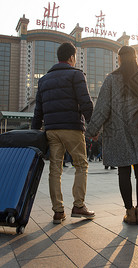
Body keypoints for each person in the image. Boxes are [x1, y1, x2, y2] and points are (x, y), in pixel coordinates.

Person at [86, 45, 138, 225]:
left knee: (123, 172)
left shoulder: (111, 80)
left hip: (118, 133)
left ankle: (129, 212)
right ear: (135, 59)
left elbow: (102, 107)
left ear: (119, 59)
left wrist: (92, 130)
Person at [32, 42, 95, 224]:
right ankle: (78, 205)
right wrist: (93, 127)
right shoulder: (76, 75)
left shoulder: (43, 80)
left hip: (51, 130)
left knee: (55, 170)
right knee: (81, 165)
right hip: (72, 128)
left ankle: (58, 211)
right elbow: (85, 103)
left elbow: (38, 110)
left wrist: (35, 132)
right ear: (71, 57)